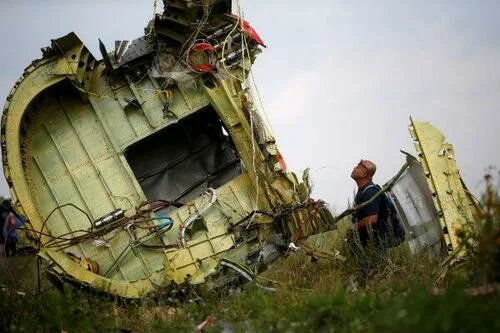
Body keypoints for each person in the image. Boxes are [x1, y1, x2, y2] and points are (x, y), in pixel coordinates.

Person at [347, 159, 392, 269]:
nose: (354, 168)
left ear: (364, 173)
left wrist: (354, 227)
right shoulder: (363, 190)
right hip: (370, 238)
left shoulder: (370, 191)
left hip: (376, 238)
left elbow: (372, 218)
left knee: (377, 267)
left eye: (358, 167)